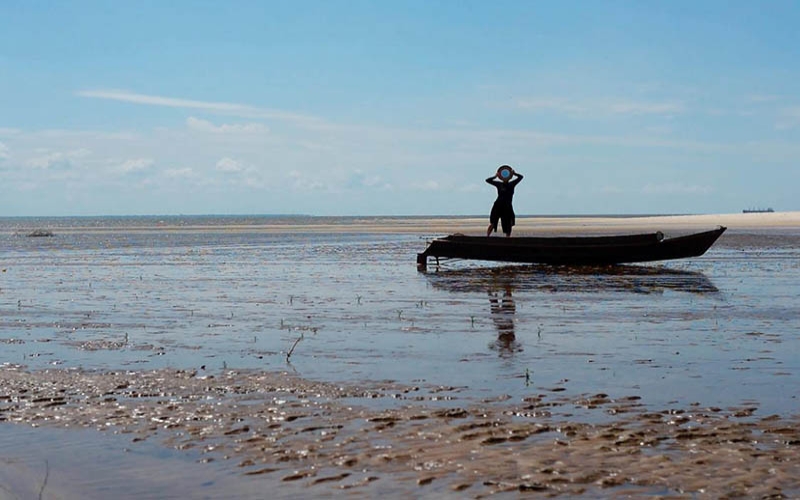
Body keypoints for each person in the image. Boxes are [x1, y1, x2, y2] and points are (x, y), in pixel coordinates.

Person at [486, 165, 523, 237]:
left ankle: (507, 237)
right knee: (493, 222)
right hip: (498, 205)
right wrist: (495, 176)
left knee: (509, 222)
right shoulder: (499, 184)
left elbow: (521, 177)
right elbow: (488, 180)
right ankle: (487, 236)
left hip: (507, 206)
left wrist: (514, 174)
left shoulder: (512, 184)